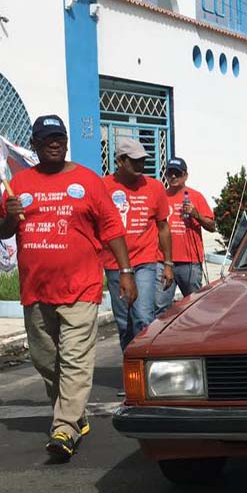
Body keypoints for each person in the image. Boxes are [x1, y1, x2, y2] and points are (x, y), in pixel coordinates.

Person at [0, 115, 136, 462]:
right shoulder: (20, 183)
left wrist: (126, 271)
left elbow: (112, 229)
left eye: (59, 138)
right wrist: (10, 216)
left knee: (74, 360)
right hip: (36, 290)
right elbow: (0, 230)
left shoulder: (88, 181)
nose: (54, 143)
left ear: (66, 142)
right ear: (36, 145)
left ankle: (65, 428)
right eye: (47, 139)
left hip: (80, 289)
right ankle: (75, 412)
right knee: (45, 360)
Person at [103, 138, 172, 350]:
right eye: (135, 161)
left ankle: (146, 364)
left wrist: (168, 263)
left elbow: (163, 227)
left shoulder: (154, 187)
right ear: (121, 161)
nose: (141, 165)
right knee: (125, 322)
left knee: (143, 317)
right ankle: (130, 365)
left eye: (143, 160)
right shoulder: (103, 186)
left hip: (145, 262)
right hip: (115, 265)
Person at [156, 157, 216, 316]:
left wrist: (196, 214)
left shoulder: (196, 196)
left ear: (185, 175)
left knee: (194, 306)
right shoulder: (160, 196)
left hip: (189, 262)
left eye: (177, 173)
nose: (173, 177)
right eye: (170, 173)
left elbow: (212, 226)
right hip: (163, 261)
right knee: (161, 308)